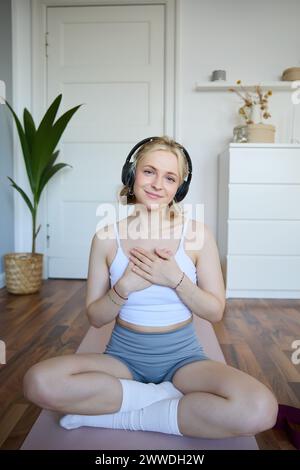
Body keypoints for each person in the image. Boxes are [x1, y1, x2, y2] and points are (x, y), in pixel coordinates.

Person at [23, 136, 278, 439]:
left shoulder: (198, 234)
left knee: (261, 408)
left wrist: (176, 279)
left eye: (170, 177)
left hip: (184, 359)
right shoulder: (106, 238)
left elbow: (215, 311)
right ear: (131, 175)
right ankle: (163, 400)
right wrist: (124, 287)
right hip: (122, 359)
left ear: (179, 188)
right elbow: (96, 317)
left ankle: (121, 416)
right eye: (149, 172)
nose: (158, 184)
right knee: (37, 382)